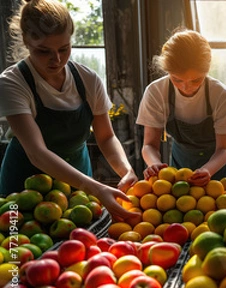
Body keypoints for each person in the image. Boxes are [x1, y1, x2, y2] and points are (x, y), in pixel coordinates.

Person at [0, 0, 138, 220]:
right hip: (25, 187)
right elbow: (37, 153)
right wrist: (95, 188)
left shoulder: (88, 79)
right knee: (19, 249)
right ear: (26, 41)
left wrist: (126, 170)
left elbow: (106, 136)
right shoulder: (12, 83)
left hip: (78, 184)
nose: (56, 60)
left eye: (64, 49)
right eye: (44, 51)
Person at [137, 29, 226, 186]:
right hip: (181, 163)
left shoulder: (220, 95)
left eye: (195, 80)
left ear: (207, 70)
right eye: (177, 79)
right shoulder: (157, 92)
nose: (186, 87)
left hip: (218, 168)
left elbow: (223, 150)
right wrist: (154, 164)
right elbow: (149, 145)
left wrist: (207, 170)